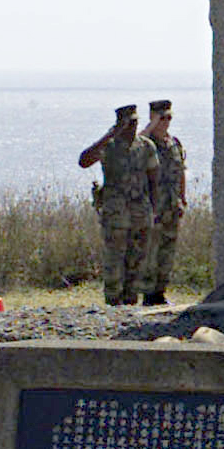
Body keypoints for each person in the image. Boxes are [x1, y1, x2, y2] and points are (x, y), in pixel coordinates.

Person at [78, 104, 158, 306]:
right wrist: (110, 135)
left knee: (137, 259)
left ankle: (131, 301)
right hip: (116, 214)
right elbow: (84, 161)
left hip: (140, 212)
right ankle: (113, 302)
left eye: (134, 122)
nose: (132, 127)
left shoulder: (146, 146)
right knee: (114, 259)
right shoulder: (108, 146)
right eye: (127, 123)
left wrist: (154, 209)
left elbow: (153, 178)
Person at [139, 98, 187, 307]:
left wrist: (183, 198)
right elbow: (134, 143)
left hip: (172, 205)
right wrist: (151, 125)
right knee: (151, 251)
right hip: (154, 206)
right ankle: (149, 294)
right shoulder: (147, 143)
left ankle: (160, 292)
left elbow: (181, 171)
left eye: (169, 118)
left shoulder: (174, 143)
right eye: (162, 118)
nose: (166, 122)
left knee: (168, 250)